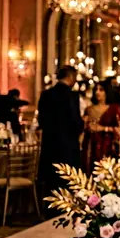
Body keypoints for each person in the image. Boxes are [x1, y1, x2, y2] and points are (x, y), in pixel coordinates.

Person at [38, 66, 84, 203]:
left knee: (51, 181)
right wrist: (81, 126)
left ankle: (49, 208)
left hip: (50, 145)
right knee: (67, 181)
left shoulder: (46, 94)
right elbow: (75, 121)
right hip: (67, 146)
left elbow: (41, 120)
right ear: (71, 77)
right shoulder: (72, 96)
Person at [82, 81, 120, 173]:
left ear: (107, 91)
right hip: (91, 145)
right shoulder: (89, 109)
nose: (97, 92)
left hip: (108, 146)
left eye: (101, 90)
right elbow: (84, 128)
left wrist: (103, 128)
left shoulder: (114, 108)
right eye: (96, 89)